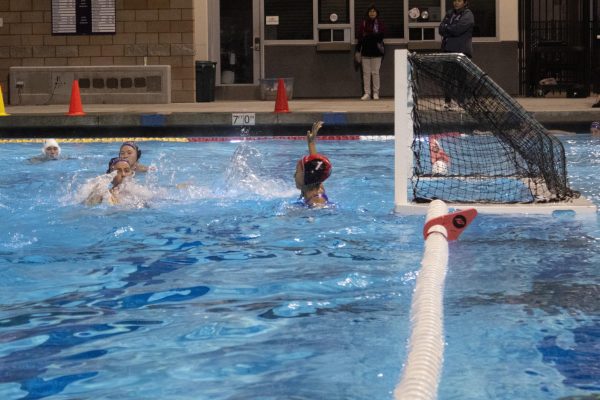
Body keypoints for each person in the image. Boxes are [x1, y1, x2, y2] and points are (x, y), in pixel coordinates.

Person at [439, 0, 474, 110]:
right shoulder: (450, 13)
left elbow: (457, 30)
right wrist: (449, 28)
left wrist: (448, 27)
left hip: (461, 51)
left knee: (461, 79)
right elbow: (440, 29)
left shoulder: (468, 15)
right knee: (447, 78)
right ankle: (447, 103)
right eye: (454, 0)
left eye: (459, 0)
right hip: (448, 50)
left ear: (465, 2)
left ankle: (462, 102)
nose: (456, 3)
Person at [294, 121, 332, 207]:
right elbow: (316, 168)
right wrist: (311, 143)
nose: (294, 175)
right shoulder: (314, 189)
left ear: (307, 175)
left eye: (297, 172)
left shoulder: (317, 200)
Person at [357, 5, 386, 101]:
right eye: (370, 11)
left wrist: (368, 35)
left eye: (374, 11)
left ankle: (376, 93)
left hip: (377, 52)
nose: (372, 13)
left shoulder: (380, 24)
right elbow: (360, 38)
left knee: (375, 73)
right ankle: (367, 93)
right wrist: (357, 51)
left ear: (377, 13)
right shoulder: (364, 23)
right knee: (366, 74)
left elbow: (380, 37)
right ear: (368, 13)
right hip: (365, 52)